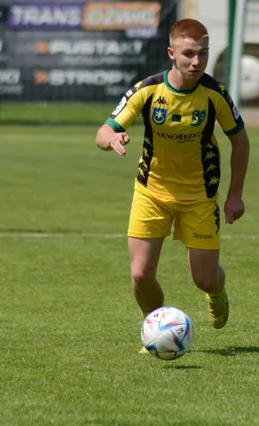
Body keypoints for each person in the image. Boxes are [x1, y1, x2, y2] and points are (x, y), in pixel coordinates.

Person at [96, 18, 250, 336]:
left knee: (204, 279)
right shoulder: (148, 90)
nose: (196, 62)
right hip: (151, 191)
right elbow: (104, 130)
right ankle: (158, 330)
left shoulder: (214, 94)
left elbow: (240, 139)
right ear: (171, 53)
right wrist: (111, 138)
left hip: (200, 196)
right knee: (140, 275)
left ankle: (218, 293)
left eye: (203, 54)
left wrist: (235, 193)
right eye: (188, 54)